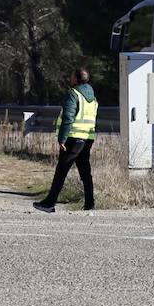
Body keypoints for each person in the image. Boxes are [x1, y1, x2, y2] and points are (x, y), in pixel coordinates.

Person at [33, 66, 98, 213]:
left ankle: (49, 203)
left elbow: (68, 118)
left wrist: (62, 138)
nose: (70, 78)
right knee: (85, 173)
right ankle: (89, 204)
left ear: (76, 78)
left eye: (71, 76)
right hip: (87, 139)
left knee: (61, 171)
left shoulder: (73, 94)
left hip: (73, 139)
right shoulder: (92, 97)